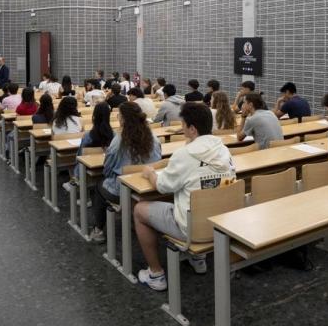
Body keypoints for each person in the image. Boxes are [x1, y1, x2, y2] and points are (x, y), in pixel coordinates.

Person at [134, 103, 235, 289]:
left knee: (139, 209)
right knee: (201, 194)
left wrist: (149, 174)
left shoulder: (184, 154)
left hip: (191, 228)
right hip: (221, 223)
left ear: (192, 129)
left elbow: (162, 187)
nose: (181, 128)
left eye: (183, 125)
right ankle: (198, 258)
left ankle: (155, 274)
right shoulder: (223, 149)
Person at [88, 102, 162, 243]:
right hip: (149, 187)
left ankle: (98, 229)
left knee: (98, 187)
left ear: (123, 119)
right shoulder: (153, 136)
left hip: (122, 190)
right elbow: (157, 161)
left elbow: (107, 168)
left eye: (119, 115)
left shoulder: (119, 140)